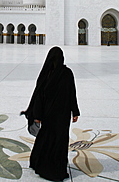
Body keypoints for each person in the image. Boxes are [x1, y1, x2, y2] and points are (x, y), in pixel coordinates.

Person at [21, 46, 80, 181]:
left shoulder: (47, 74)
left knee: (47, 140)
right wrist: (74, 111)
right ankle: (56, 169)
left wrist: (38, 116)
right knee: (59, 141)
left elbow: (39, 97)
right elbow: (72, 94)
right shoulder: (66, 73)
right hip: (62, 116)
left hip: (49, 116)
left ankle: (42, 165)